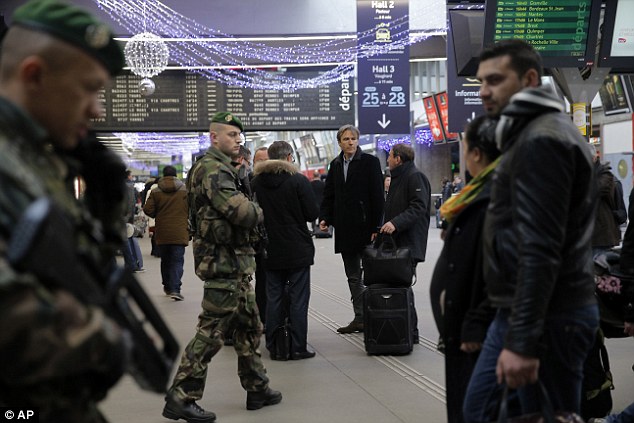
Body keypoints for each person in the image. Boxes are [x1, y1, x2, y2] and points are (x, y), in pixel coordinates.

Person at [0, 1, 130, 421]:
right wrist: (99, 340)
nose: (97, 110)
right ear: (34, 75)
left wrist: (106, 205)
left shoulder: (38, 157)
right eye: (88, 88)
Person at [462, 39, 599, 423]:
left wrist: (522, 341)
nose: (484, 90)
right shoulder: (533, 133)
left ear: (530, 79)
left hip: (550, 315)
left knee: (493, 412)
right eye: (480, 82)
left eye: (495, 80)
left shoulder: (542, 141)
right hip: (538, 310)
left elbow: (540, 248)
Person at [163, 112, 281, 423]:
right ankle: (181, 396)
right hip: (223, 263)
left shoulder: (219, 167)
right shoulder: (215, 169)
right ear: (214, 137)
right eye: (231, 134)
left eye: (239, 135)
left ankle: (257, 388)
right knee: (212, 332)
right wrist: (258, 208)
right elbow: (241, 212)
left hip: (233, 262)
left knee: (248, 327)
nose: (237, 139)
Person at [429, 116, 500, 423]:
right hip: (461, 326)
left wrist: (475, 321)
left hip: (477, 330)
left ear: (476, 154)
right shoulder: (475, 195)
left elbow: (505, 269)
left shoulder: (497, 197)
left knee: (474, 411)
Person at [252, 141, 319, 360]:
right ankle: (297, 346)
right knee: (299, 299)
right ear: (290, 157)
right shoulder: (298, 181)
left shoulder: (257, 183)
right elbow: (311, 213)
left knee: (273, 298)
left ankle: (273, 344)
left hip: (270, 248)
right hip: (297, 247)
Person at [319, 124, 384, 333]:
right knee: (353, 276)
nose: (350, 142)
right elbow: (329, 195)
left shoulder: (370, 163)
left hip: (366, 228)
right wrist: (325, 218)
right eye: (346, 139)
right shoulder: (336, 165)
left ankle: (374, 315)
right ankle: (360, 317)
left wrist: (376, 224)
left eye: (353, 139)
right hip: (345, 229)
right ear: (339, 142)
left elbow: (377, 196)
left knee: (371, 275)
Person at [143, 165, 189, 301]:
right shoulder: (185, 191)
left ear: (163, 175)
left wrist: (159, 213)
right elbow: (192, 207)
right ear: (176, 175)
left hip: (162, 231)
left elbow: (147, 209)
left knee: (166, 260)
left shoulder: (156, 191)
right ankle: (175, 288)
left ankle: (168, 286)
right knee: (177, 260)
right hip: (180, 230)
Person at [252, 145, 269, 325]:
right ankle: (263, 317)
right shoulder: (250, 183)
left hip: (277, 241)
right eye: (259, 161)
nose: (263, 164)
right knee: (261, 281)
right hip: (256, 241)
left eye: (266, 160)